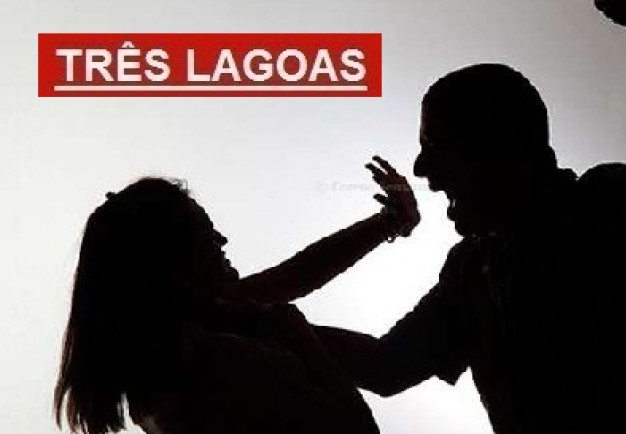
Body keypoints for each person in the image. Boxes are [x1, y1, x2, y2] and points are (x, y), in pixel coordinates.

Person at [311, 0, 626, 433]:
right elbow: (388, 366)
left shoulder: (613, 206)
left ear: (499, 146)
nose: (421, 168)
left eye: (436, 145)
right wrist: (276, 322)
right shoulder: (473, 271)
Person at [53, 156, 420, 434]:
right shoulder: (214, 361)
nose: (222, 240)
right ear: (174, 258)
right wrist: (299, 336)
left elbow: (296, 276)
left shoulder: (189, 333)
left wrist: (390, 221)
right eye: (207, 231)